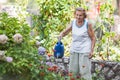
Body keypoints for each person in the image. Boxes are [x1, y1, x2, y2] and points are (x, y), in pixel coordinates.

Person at [58, 7, 96, 80]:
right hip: (74, 50)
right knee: (72, 73)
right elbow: (67, 31)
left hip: (85, 51)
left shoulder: (87, 24)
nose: (78, 17)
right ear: (75, 15)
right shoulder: (73, 22)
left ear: (84, 16)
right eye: (77, 15)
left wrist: (91, 51)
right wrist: (61, 35)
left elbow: (93, 38)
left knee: (85, 72)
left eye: (80, 15)